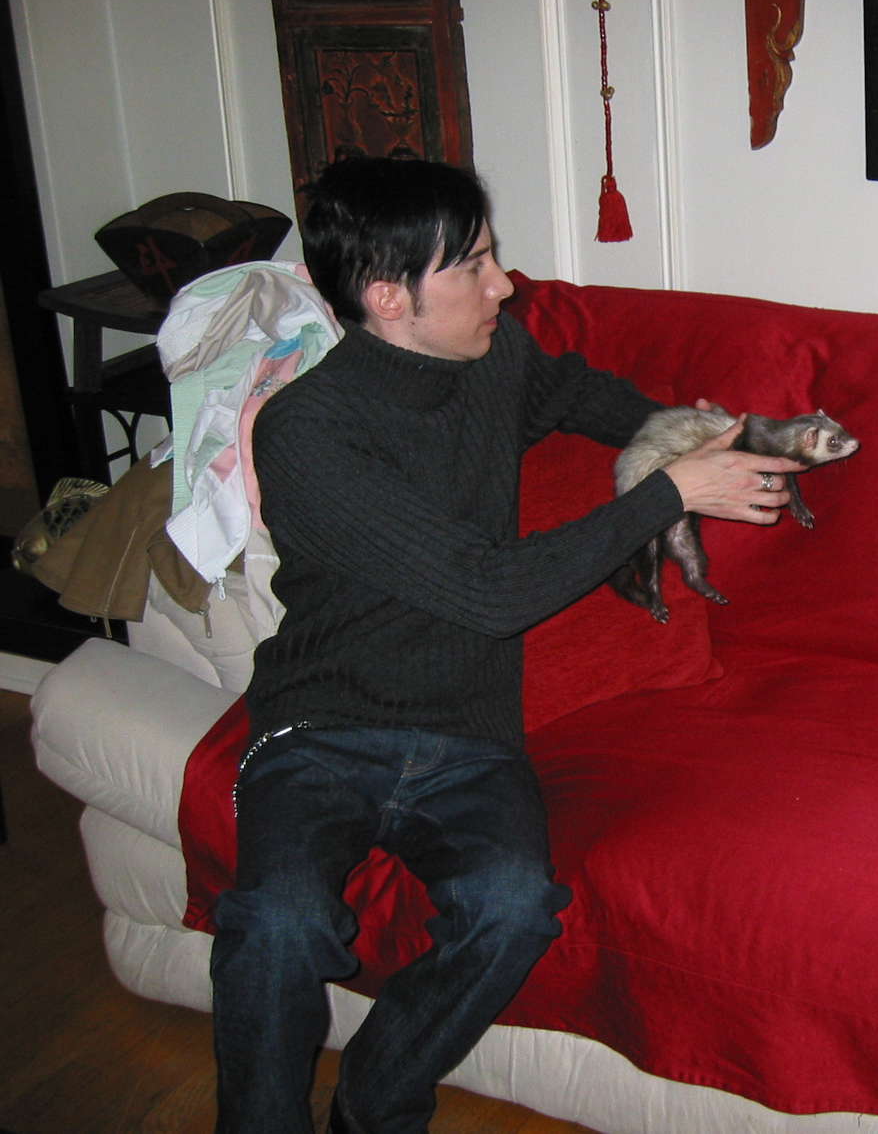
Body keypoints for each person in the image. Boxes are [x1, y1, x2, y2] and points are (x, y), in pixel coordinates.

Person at [209, 156, 803, 1134]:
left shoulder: (495, 360)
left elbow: (574, 392)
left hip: (468, 734)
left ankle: (373, 1105)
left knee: (514, 907)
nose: (504, 285)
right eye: (474, 265)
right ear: (388, 296)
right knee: (279, 921)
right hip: (321, 728)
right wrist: (669, 496)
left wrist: (697, 438)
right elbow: (488, 591)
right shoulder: (308, 431)